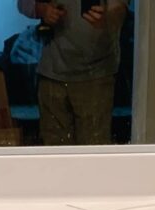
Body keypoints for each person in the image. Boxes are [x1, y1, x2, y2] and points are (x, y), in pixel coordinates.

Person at [17, 0, 127, 145]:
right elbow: (24, 4)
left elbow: (119, 8)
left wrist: (107, 20)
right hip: (52, 72)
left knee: (93, 149)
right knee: (55, 150)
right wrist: (42, 10)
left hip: (96, 75)